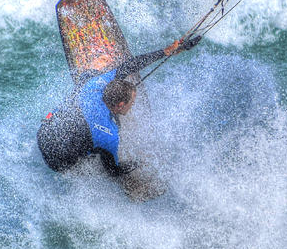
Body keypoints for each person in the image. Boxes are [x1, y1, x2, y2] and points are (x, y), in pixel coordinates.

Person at [37, 36, 200, 178]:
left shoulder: (95, 84)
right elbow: (113, 171)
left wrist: (166, 51)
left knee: (87, 77)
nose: (133, 105)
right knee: (102, 148)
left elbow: (129, 65)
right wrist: (138, 164)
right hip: (57, 162)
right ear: (120, 105)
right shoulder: (110, 135)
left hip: (44, 130)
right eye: (132, 102)